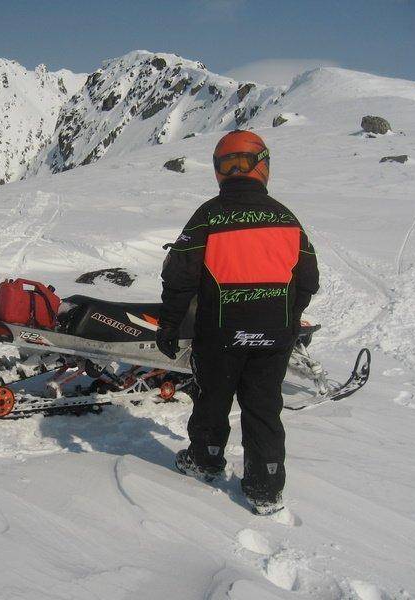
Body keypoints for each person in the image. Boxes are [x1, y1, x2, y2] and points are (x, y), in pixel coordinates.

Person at [156, 130, 319, 514]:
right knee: (263, 409)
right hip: (274, 337)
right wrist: (288, 318)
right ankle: (265, 488)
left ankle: (207, 459)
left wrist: (169, 325)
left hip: (220, 335)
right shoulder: (285, 217)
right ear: (263, 166)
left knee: (212, 400)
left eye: (231, 164)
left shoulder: (208, 216)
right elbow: (309, 281)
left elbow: (178, 277)